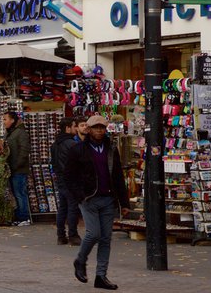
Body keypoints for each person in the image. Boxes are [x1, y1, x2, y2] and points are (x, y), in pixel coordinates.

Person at [65, 115, 129, 291]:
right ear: (89, 130)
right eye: (95, 128)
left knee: (106, 238)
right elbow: (69, 177)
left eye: (102, 128)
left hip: (108, 198)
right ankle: (80, 260)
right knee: (93, 233)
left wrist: (124, 202)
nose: (99, 131)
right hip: (89, 199)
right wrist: (80, 196)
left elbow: (117, 176)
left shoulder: (110, 149)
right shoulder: (78, 150)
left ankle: (101, 275)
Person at [51, 117, 82, 245]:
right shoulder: (72, 144)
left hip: (60, 179)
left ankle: (61, 235)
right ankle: (73, 235)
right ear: (68, 128)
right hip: (71, 180)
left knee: (63, 207)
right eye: (74, 126)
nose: (76, 129)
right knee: (72, 207)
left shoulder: (55, 145)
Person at [3, 111, 32, 226]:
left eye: (5, 119)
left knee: (20, 193)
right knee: (16, 193)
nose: (4, 122)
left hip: (18, 170)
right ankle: (18, 217)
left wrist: (16, 165)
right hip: (12, 169)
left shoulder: (21, 133)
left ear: (12, 120)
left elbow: (24, 151)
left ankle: (24, 218)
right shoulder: (10, 133)